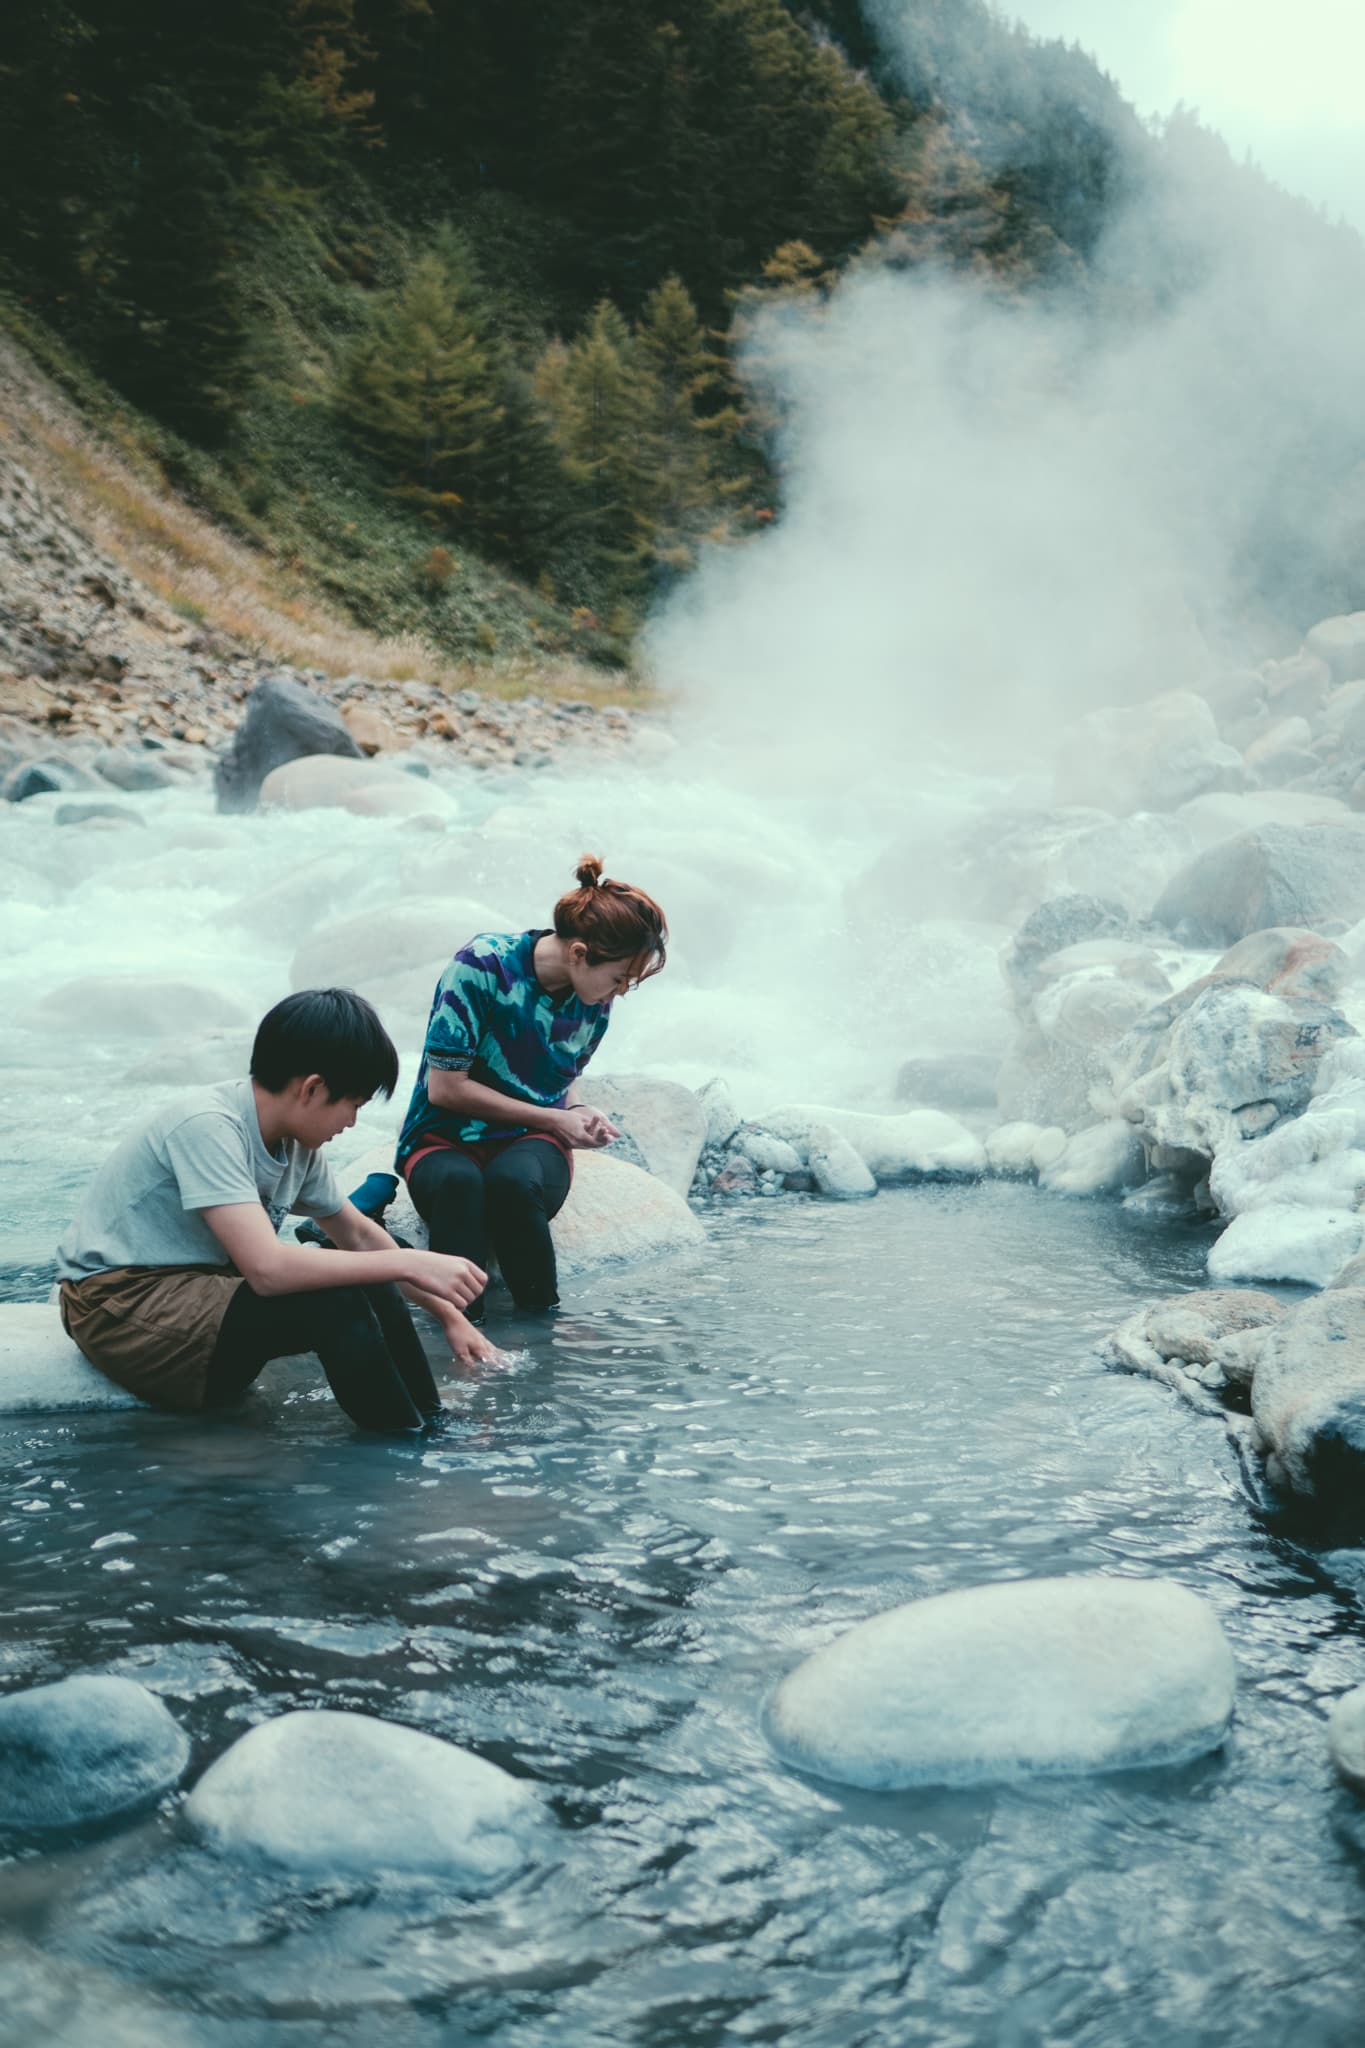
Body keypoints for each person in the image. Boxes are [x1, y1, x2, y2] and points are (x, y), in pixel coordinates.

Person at [56, 988, 496, 1432]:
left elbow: (359, 1236)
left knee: (369, 1274)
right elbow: (266, 1269)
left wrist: (450, 1317)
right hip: (119, 1309)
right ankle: (403, 1446)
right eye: (354, 1105)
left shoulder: (295, 1144)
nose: (352, 1123)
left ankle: (431, 1422)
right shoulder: (208, 1127)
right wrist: (408, 1259)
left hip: (196, 1293)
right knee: (335, 1297)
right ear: (312, 1088)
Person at [397, 854, 667, 1316]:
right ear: (580, 954)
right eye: (620, 977)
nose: (620, 991)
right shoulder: (481, 966)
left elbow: (565, 1079)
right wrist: (554, 1118)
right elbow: (445, 1090)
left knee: (514, 1184)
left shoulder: (594, 999)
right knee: (460, 1186)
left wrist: (577, 1115)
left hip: (531, 1145)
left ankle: (543, 1344)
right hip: (442, 1135)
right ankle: (460, 1338)